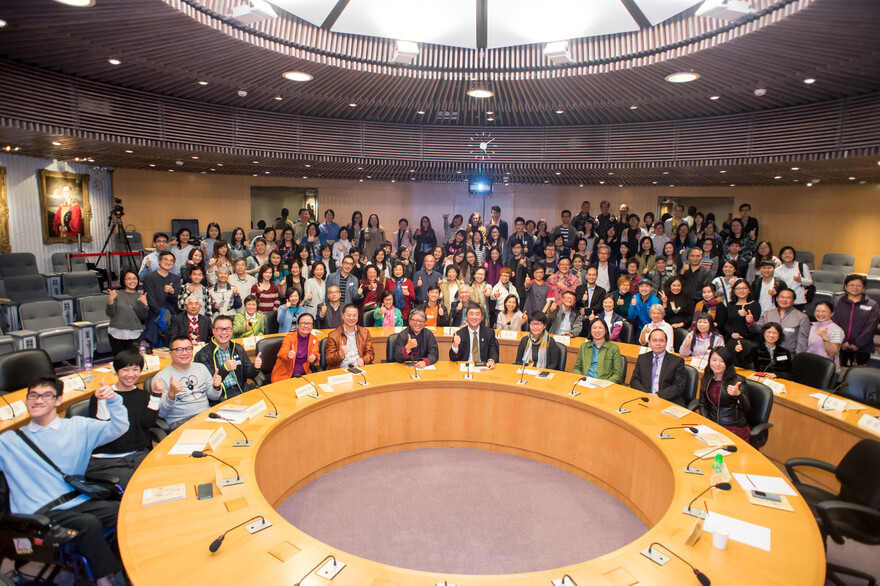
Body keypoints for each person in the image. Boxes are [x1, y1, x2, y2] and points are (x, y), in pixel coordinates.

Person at [0, 376, 128, 586]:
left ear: (58, 400)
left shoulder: (78, 427)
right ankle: (103, 581)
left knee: (122, 512)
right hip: (41, 510)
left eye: (46, 395)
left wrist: (113, 400)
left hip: (78, 499)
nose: (38, 400)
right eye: (33, 395)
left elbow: (118, 428)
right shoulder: (8, 441)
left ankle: (121, 571)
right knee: (89, 524)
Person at [85, 351, 158, 488]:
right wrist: (101, 401)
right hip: (108, 459)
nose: (131, 374)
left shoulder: (143, 395)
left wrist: (156, 396)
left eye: (135, 369)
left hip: (137, 456)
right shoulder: (103, 395)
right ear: (116, 370)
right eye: (125, 370)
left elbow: (148, 423)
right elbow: (102, 426)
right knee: (139, 488)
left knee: (161, 480)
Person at [154, 336, 218, 429]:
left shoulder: (201, 368)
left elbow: (214, 396)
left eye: (188, 349)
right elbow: (162, 413)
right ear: (170, 353)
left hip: (206, 416)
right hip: (181, 422)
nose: (184, 353)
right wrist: (171, 394)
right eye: (179, 350)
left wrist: (216, 386)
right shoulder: (160, 378)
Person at [195, 315, 260, 404]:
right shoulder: (203, 354)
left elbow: (249, 374)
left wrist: (255, 367)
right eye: (220, 329)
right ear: (213, 331)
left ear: (232, 331)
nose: (224, 332)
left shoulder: (238, 348)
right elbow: (211, 384)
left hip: (241, 390)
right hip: (222, 396)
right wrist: (225, 368)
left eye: (228, 329)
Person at [698, 347, 751, 443]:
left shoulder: (738, 381)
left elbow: (747, 408)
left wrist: (738, 395)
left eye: (722, 361)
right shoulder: (707, 378)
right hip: (713, 425)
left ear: (728, 363)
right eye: (714, 360)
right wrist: (707, 423)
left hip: (733, 427)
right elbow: (703, 404)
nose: (717, 364)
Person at [630, 329, 687, 406]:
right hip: (645, 399)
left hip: (667, 401)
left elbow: (679, 386)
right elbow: (634, 380)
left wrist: (658, 395)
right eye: (654, 340)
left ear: (666, 342)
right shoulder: (642, 358)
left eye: (661, 341)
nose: (657, 343)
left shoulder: (677, 361)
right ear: (649, 342)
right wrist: (647, 395)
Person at [832, 274, 880, 366]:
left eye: (859, 285)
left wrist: (858, 344)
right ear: (845, 286)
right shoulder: (837, 302)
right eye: (852, 285)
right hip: (841, 345)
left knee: (861, 374)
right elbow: (834, 322)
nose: (855, 288)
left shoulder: (872, 305)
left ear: (863, 288)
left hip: (864, 347)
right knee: (840, 373)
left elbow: (871, 327)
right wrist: (843, 341)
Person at [753, 289, 810, 355]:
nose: (784, 300)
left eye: (788, 298)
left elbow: (802, 341)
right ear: (777, 299)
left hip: (788, 356)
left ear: (793, 301)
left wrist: (798, 358)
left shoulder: (802, 318)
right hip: (766, 354)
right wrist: (751, 323)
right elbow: (758, 329)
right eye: (782, 297)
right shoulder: (768, 314)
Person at [142, 250, 180, 349]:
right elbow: (151, 300)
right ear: (159, 261)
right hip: (155, 318)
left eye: (171, 261)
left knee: (172, 347)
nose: (168, 262)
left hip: (171, 319)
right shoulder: (149, 278)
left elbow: (175, 300)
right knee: (157, 350)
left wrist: (171, 292)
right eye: (165, 259)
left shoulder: (175, 279)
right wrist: (162, 314)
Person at [105, 270, 148, 354]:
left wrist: (144, 304)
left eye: (135, 278)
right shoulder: (116, 294)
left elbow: (142, 316)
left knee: (133, 359)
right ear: (123, 281)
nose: (132, 281)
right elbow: (110, 313)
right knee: (119, 360)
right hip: (117, 332)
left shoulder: (140, 296)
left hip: (134, 333)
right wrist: (110, 300)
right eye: (128, 278)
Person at [270, 313, 321, 381]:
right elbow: (281, 353)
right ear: (298, 325)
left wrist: (315, 358)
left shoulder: (314, 339)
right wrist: (288, 355)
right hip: (284, 375)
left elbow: (316, 354)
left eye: (309, 324)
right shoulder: (289, 337)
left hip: (304, 375)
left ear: (312, 326)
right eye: (303, 323)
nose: (306, 326)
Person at [572, 318, 623, 383]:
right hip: (585, 382)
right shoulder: (584, 346)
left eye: (600, 328)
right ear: (590, 330)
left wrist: (605, 384)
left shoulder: (614, 348)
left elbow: (617, 374)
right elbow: (577, 368)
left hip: (603, 384)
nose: (597, 330)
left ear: (606, 330)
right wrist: (582, 379)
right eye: (594, 328)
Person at [325, 304, 376, 369]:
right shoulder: (333, 335)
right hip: (340, 370)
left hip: (359, 369)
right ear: (343, 316)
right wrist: (340, 354)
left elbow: (370, 353)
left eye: (354, 316)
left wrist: (364, 360)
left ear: (358, 317)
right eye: (348, 315)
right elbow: (328, 359)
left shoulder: (365, 332)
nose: (351, 318)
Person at [450, 302, 499, 368]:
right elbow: (453, 358)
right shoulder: (459, 334)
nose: (474, 317)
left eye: (477, 314)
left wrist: (491, 361)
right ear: (466, 317)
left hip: (483, 367)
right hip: (465, 368)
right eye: (471, 314)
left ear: (481, 317)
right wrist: (455, 346)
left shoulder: (489, 332)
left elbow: (493, 351)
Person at [808, 301, 845, 370]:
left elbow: (832, 353)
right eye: (817, 311)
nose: (820, 314)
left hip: (826, 368)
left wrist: (825, 338)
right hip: (810, 365)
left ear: (832, 314)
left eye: (824, 311)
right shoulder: (811, 325)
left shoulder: (836, 329)